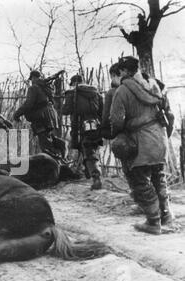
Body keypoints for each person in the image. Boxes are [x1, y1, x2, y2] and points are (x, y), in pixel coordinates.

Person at [110, 56, 174, 235]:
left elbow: (116, 120)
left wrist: (120, 133)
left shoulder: (122, 90)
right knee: (158, 176)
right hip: (160, 138)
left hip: (140, 141)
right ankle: (166, 215)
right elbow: (169, 114)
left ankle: (153, 222)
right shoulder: (155, 85)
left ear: (123, 71)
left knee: (139, 180)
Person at [63, 74, 104, 190]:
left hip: (80, 125)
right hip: (95, 124)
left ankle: (96, 177)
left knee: (88, 149)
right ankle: (88, 173)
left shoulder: (72, 93)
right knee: (90, 147)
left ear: (74, 83)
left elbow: (65, 110)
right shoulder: (95, 92)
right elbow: (102, 110)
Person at [13, 70, 63, 158]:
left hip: (41, 118)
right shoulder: (46, 87)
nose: (31, 81)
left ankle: (53, 165)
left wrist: (17, 114)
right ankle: (58, 158)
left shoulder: (33, 88)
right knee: (49, 141)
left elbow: (28, 104)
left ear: (33, 78)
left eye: (31, 79)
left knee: (45, 145)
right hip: (50, 116)